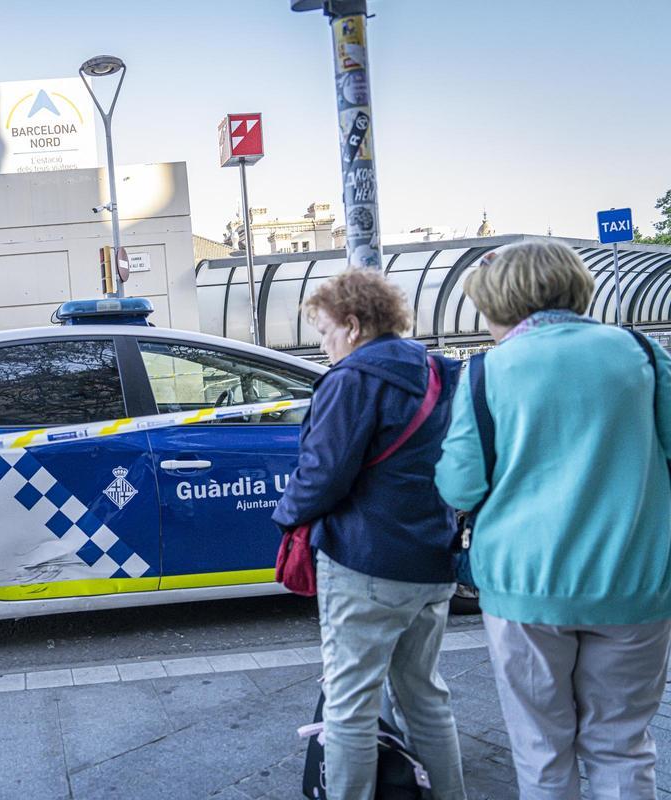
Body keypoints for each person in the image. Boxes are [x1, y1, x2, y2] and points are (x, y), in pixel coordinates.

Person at [436, 240, 671, 799]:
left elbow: (459, 484)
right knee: (622, 745)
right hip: (636, 580)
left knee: (541, 752)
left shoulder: (486, 372)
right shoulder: (640, 351)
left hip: (525, 589)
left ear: (502, 302)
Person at [272, 269, 466, 800]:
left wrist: (286, 517)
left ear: (353, 325)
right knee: (425, 697)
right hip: (431, 563)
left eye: (325, 331)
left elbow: (321, 475)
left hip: (365, 563)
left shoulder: (351, 380)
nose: (324, 344)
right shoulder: (440, 373)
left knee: (350, 705)